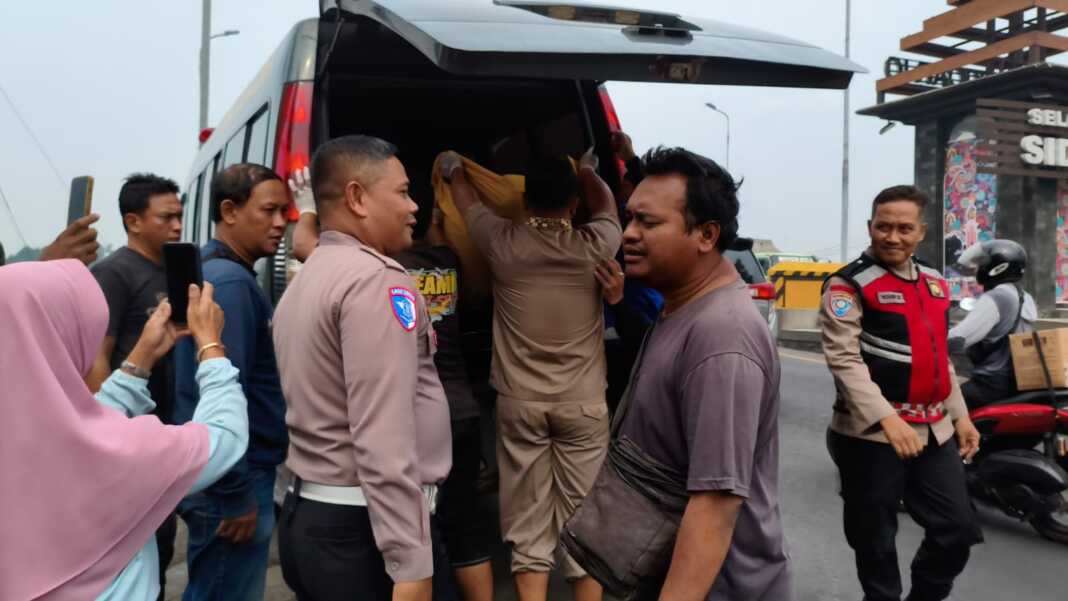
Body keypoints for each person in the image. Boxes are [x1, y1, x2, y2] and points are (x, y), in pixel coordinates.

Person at [273, 135, 455, 601]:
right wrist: (410, 562)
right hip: (367, 534)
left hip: (315, 518)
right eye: (401, 192)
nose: (415, 206)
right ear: (356, 197)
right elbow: (382, 435)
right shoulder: (377, 282)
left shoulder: (310, 275)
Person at [0, 259, 247, 601]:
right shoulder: (111, 456)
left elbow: (80, 434)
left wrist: (140, 359)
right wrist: (211, 348)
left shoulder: (24, 432)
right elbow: (224, 436)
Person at [608, 147, 793, 600]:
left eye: (647, 223)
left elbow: (715, 505)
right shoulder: (682, 309)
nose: (628, 234)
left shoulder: (722, 336)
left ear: (706, 235)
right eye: (629, 218)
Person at [444, 148, 619, 601]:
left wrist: (453, 167)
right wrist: (587, 171)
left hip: (520, 405)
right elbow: (608, 206)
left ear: (524, 202)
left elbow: (466, 202)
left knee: (526, 522)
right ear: (573, 203)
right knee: (585, 523)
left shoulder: (503, 243)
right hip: (583, 404)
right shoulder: (596, 245)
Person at [821, 185, 983, 601]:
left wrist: (960, 415)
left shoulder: (933, 282)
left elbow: (939, 358)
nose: (893, 237)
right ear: (870, 227)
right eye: (884, 226)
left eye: (904, 228)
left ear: (921, 232)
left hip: (934, 429)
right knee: (874, 538)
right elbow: (844, 360)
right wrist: (887, 420)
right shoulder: (848, 284)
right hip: (870, 434)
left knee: (957, 528)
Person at [172, 163, 289, 601]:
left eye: (285, 211)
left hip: (223, 475)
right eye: (269, 210)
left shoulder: (214, 272)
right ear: (229, 210)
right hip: (233, 480)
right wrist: (235, 493)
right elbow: (220, 392)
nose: (281, 223)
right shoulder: (231, 284)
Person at [86, 173, 184, 599]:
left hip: (163, 433)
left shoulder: (172, 270)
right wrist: (110, 433)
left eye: (180, 216)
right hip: (129, 439)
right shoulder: (113, 274)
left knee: (159, 551)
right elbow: (96, 356)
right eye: (167, 217)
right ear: (133, 221)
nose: (178, 226)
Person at [949, 239, 1036, 409]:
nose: (980, 268)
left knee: (944, 409)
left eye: (984, 263)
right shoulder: (1024, 296)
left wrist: (928, 342)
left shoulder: (998, 297)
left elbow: (960, 338)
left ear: (998, 267)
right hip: (1017, 379)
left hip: (992, 382)